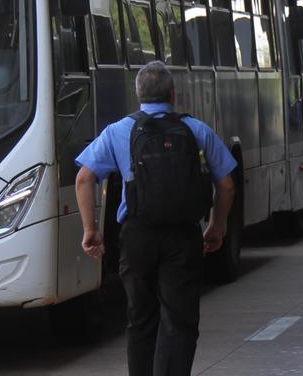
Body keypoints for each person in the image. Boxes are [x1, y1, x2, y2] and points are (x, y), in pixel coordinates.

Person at [75, 61, 236, 376]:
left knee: (140, 318)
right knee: (180, 319)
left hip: (137, 237)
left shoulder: (119, 131)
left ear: (138, 96)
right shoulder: (196, 129)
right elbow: (227, 183)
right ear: (173, 94)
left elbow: (84, 179)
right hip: (183, 236)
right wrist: (218, 225)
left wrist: (91, 229)